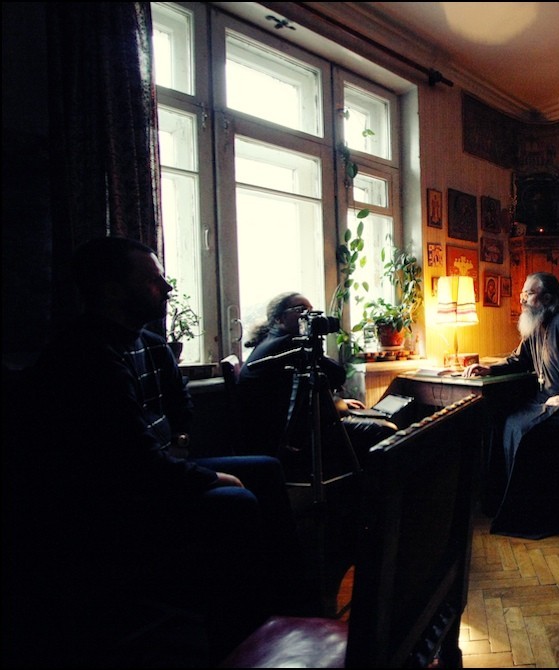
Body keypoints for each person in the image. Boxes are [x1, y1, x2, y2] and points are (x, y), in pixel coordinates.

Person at [25, 236, 316, 665]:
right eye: (152, 280)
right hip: (115, 498)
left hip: (156, 470)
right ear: (111, 290)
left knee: (266, 468)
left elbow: (180, 412)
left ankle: (293, 607)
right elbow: (130, 463)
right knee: (234, 500)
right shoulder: (86, 355)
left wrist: (179, 449)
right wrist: (206, 476)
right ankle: (239, 641)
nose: (166, 288)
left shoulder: (147, 342)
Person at [464, 272, 559, 539]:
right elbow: (518, 360)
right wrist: (489, 369)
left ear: (547, 298)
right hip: (544, 401)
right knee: (501, 422)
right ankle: (502, 507)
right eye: (523, 294)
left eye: (528, 294)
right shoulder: (536, 323)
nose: (522, 299)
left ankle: (534, 516)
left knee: (526, 433)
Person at [239, 292, 397, 477]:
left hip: (281, 434)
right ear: (280, 318)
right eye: (301, 310)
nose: (310, 316)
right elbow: (336, 376)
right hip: (289, 442)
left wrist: (339, 403)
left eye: (311, 311)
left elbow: (298, 393)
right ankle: (367, 490)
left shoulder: (273, 342)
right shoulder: (288, 346)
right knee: (385, 432)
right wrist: (338, 404)